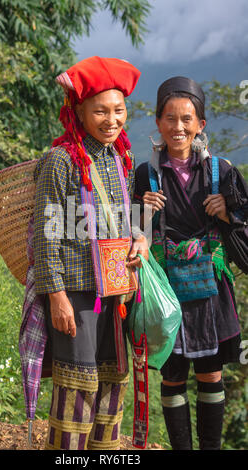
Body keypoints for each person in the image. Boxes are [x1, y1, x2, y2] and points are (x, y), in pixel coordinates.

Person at [32, 56, 149, 450]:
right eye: (100, 110)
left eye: (119, 110)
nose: (112, 120)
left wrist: (140, 239)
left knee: (113, 383)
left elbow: (129, 216)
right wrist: (57, 296)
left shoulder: (121, 158)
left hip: (117, 292)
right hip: (77, 294)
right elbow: (48, 237)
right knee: (77, 387)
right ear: (78, 111)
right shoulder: (60, 161)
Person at [134, 76, 248, 450]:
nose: (178, 127)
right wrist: (143, 216)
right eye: (169, 118)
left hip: (210, 287)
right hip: (167, 291)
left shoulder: (223, 172)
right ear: (157, 122)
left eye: (187, 119)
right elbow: (130, 234)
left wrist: (227, 214)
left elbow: (244, 220)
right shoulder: (145, 175)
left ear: (201, 124)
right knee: (172, 376)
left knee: (211, 373)